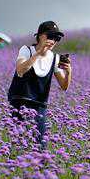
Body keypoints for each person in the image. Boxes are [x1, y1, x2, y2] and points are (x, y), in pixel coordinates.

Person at [7, 20, 72, 149]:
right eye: (50, 36)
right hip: (20, 102)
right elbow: (20, 70)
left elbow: (64, 86)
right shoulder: (26, 50)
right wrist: (38, 53)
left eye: (57, 38)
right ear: (40, 36)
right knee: (19, 143)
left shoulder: (55, 58)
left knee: (41, 146)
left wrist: (69, 71)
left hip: (40, 106)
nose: (53, 41)